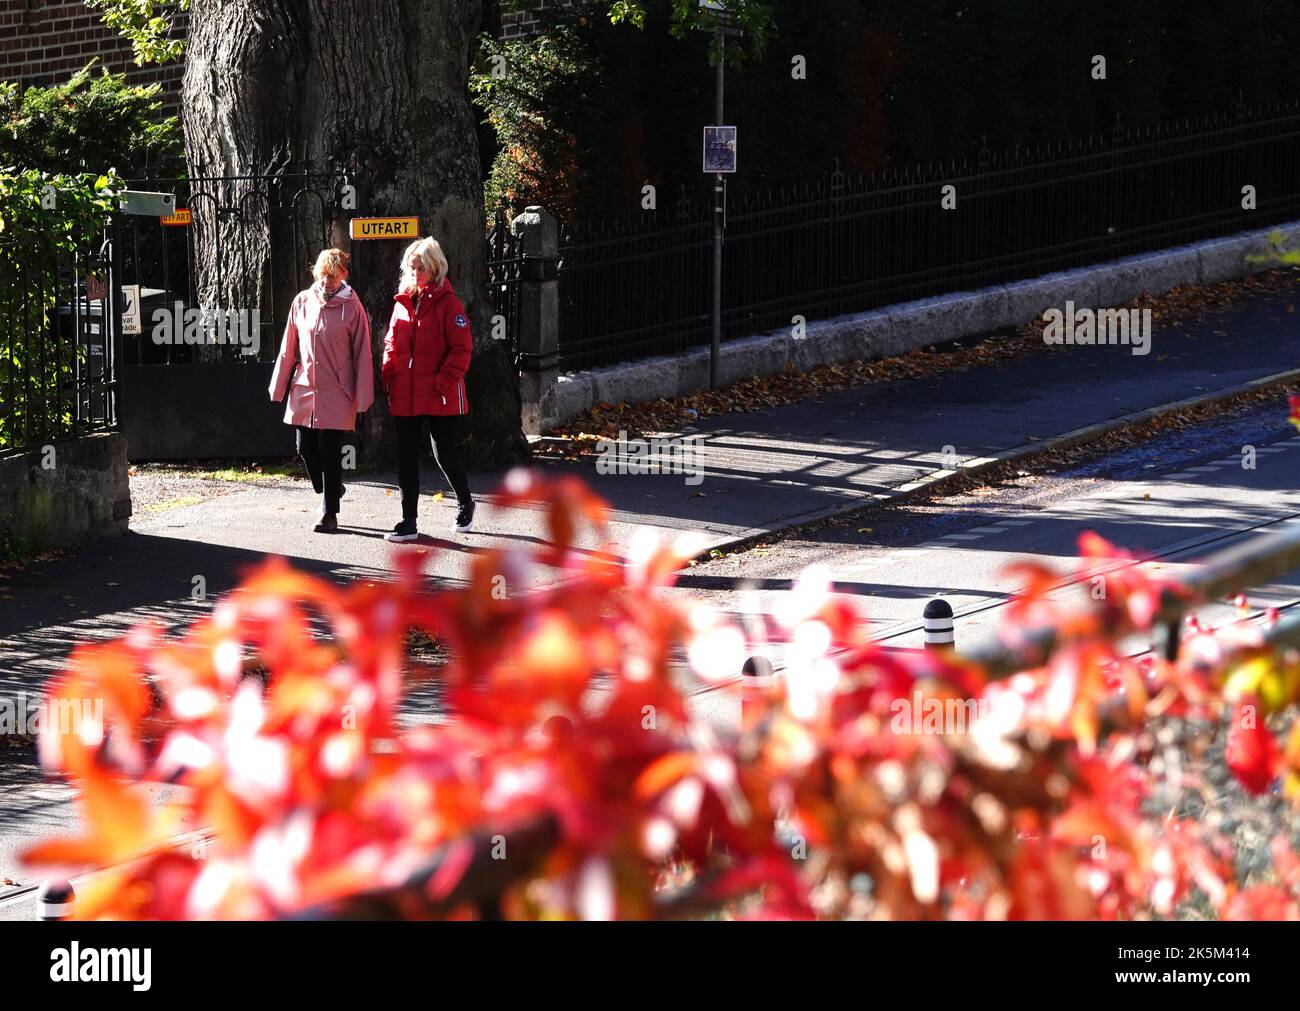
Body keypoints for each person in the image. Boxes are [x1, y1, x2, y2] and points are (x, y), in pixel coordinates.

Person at [268, 248, 373, 533]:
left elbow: (362, 352)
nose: (327, 280)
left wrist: (363, 396)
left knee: (330, 451)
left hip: (338, 391)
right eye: (323, 274)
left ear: (344, 275)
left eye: (334, 275)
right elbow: (288, 348)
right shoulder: (302, 301)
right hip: (305, 388)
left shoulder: (352, 307)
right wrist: (278, 386)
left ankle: (329, 514)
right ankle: (332, 487)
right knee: (305, 448)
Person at [381, 236, 474, 541]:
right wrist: (389, 372)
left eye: (421, 268)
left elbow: (461, 349)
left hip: (439, 393)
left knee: (443, 453)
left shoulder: (450, 304)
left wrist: (441, 382)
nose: (415, 273)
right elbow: (391, 342)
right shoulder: (403, 302)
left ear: (435, 269)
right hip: (407, 391)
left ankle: (465, 502)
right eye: (412, 268)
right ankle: (408, 520)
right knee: (406, 456)